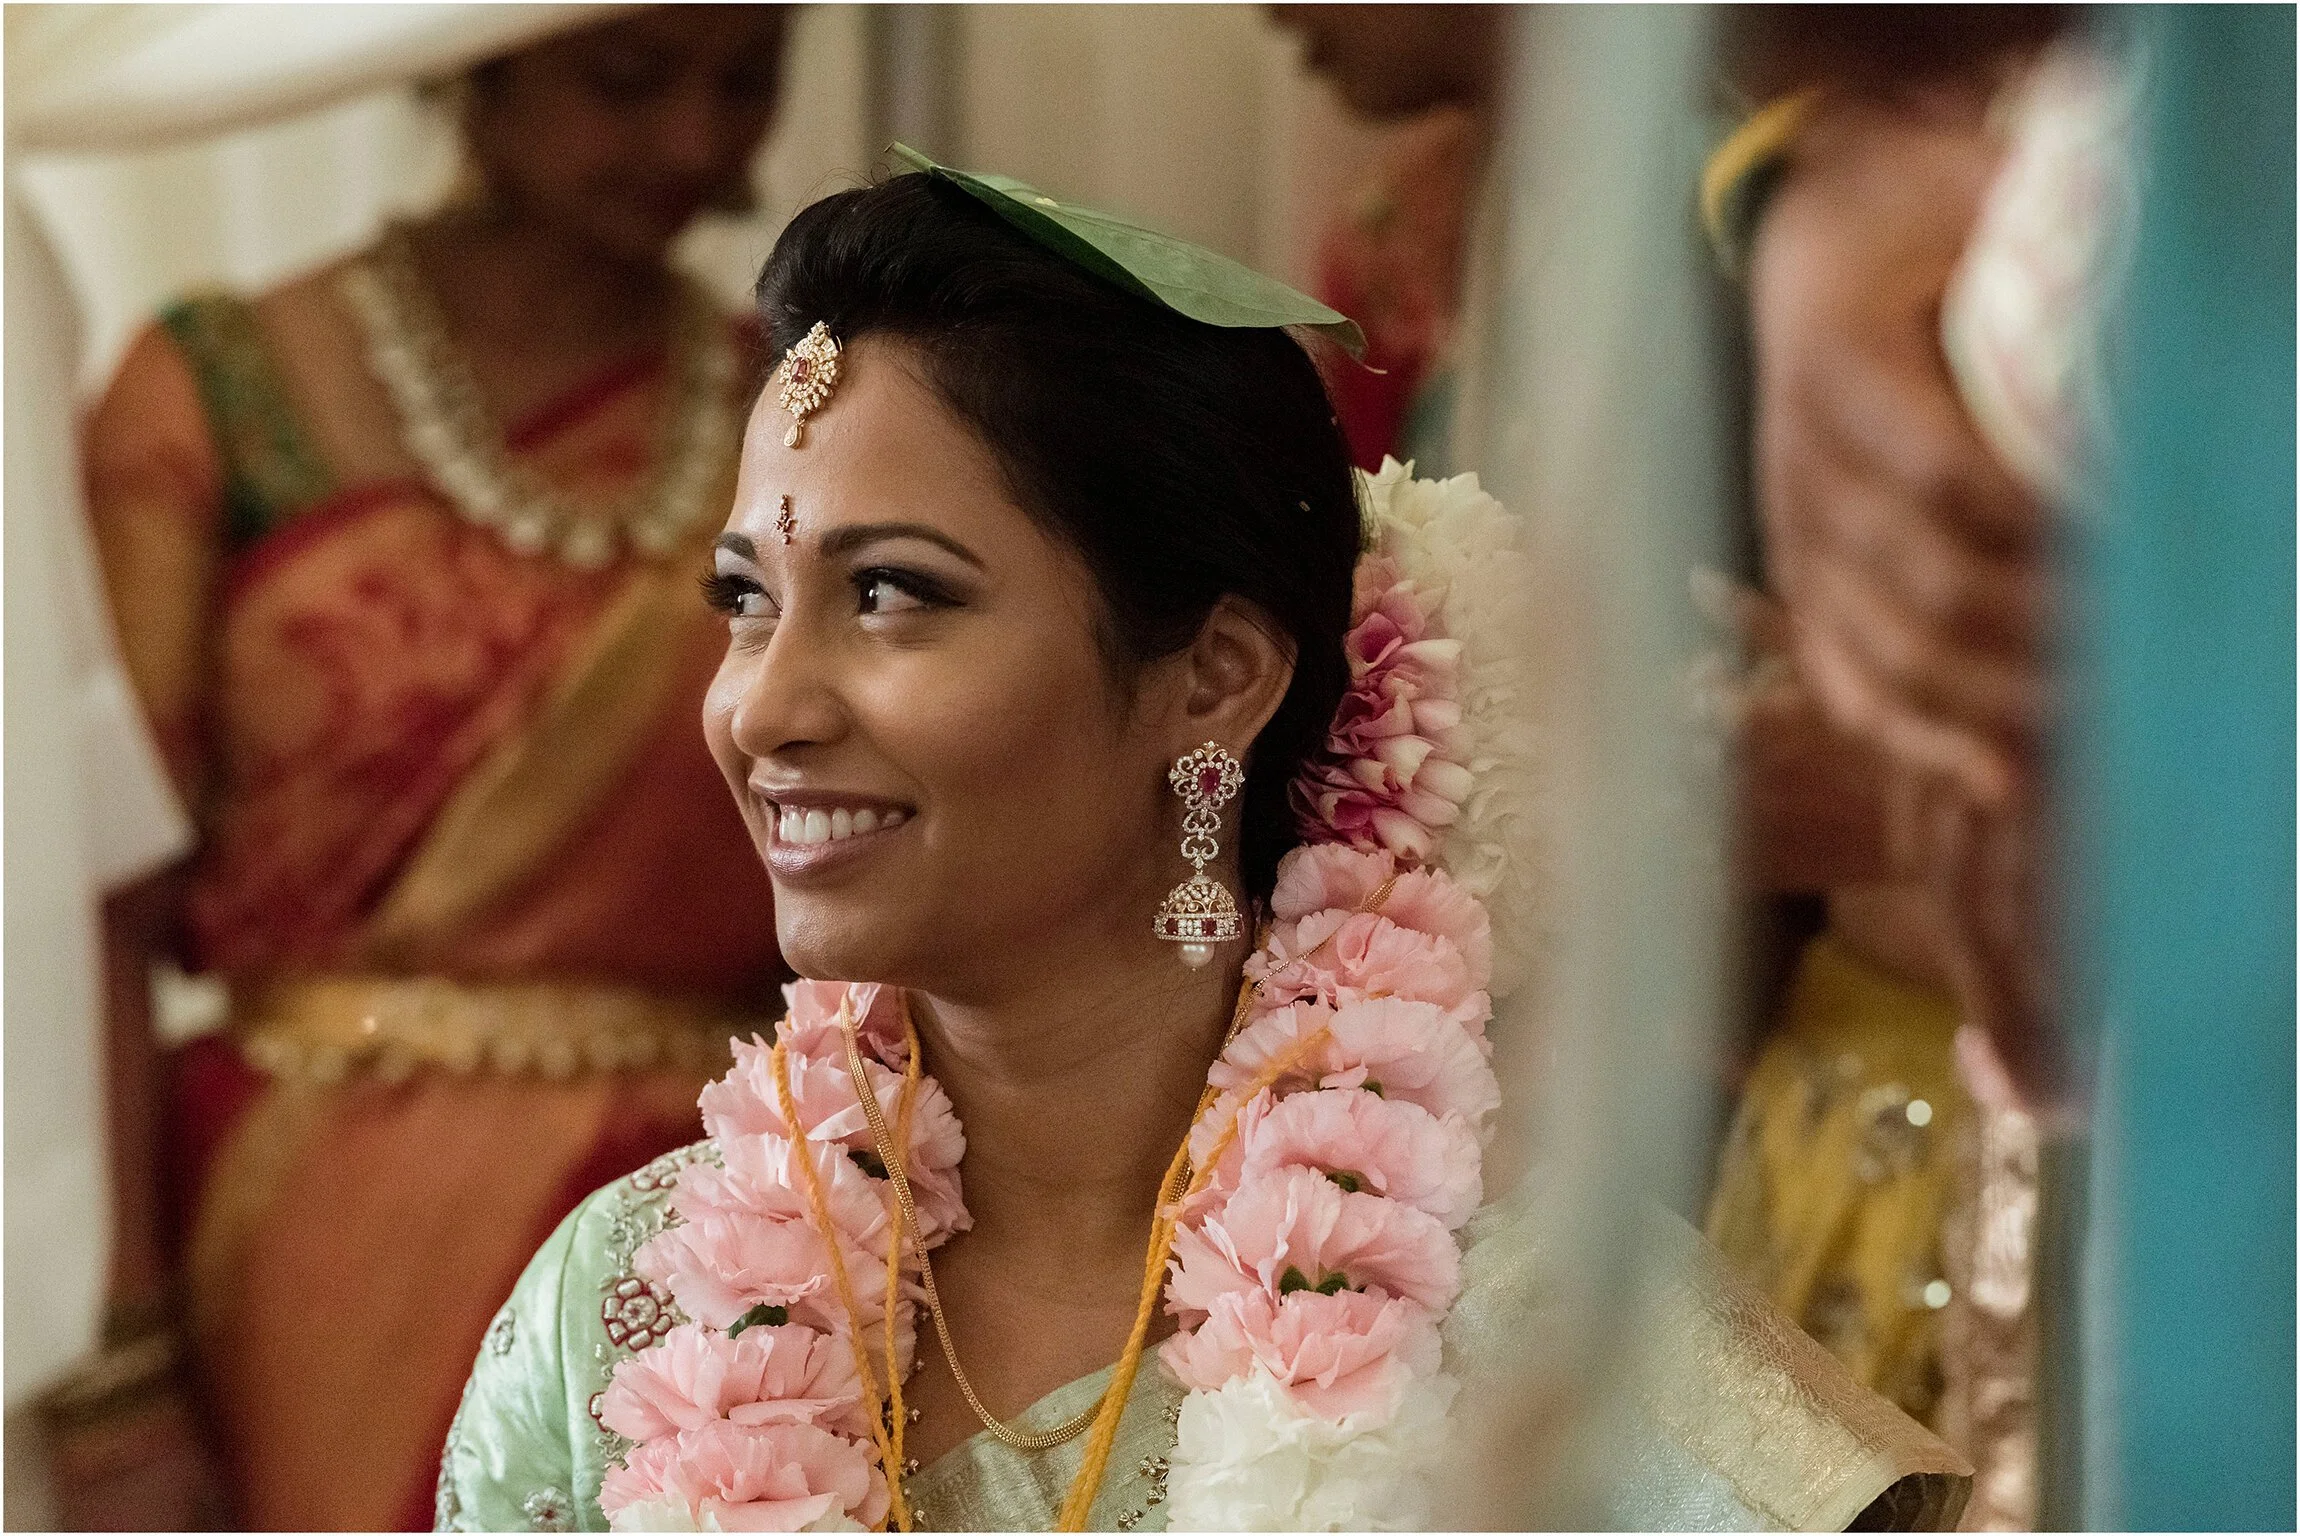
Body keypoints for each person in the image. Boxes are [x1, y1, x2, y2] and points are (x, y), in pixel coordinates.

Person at [436, 157, 1973, 1532]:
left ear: (1215, 677)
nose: (766, 705)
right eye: (745, 600)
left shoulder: (1544, 1333)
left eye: (893, 593)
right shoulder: (628, 1310)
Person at [67, 8, 792, 1528]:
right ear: (475, 56)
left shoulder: (806, 414)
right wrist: (114, 1358)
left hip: (729, 1217)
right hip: (324, 1230)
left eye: (746, 80)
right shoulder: (220, 389)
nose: (696, 140)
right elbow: (89, 905)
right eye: (627, 80)